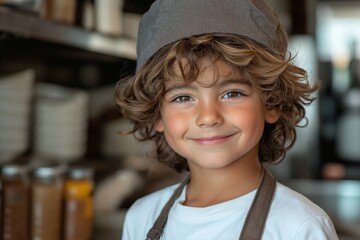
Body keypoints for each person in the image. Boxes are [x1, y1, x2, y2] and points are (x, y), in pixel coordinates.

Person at [115, 0, 339, 239]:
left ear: (272, 102)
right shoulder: (141, 217)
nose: (209, 117)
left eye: (232, 94)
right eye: (182, 97)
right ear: (157, 114)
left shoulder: (300, 227)